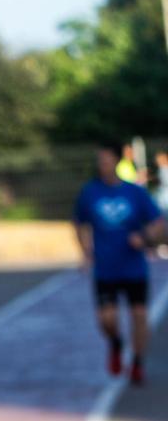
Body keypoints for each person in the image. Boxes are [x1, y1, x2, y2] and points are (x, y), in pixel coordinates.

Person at [74, 144, 165, 385]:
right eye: (99, 160)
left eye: (106, 159)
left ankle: (137, 363)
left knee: (139, 314)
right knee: (108, 320)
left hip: (133, 267)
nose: (102, 164)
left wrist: (144, 237)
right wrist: (86, 253)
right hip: (106, 268)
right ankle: (116, 343)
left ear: (116, 161)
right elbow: (80, 224)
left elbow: (158, 222)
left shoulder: (135, 192)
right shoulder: (90, 192)